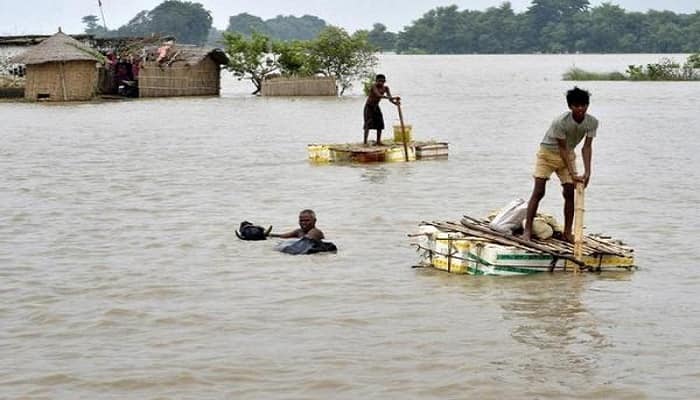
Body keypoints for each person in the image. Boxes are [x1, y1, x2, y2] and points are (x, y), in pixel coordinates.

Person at [522, 87, 598, 243]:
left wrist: (588, 172)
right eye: (577, 106)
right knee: (539, 191)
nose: (580, 109)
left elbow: (586, 147)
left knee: (570, 192)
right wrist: (573, 173)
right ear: (570, 107)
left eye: (584, 105)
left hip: (568, 155)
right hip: (547, 154)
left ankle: (567, 233)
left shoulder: (592, 122)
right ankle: (527, 231)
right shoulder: (560, 122)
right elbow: (561, 148)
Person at [363, 74, 400, 146]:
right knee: (368, 124)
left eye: (383, 81)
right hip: (369, 107)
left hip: (376, 107)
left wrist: (395, 103)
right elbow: (378, 95)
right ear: (376, 81)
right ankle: (365, 142)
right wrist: (393, 98)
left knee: (380, 124)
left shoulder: (386, 88)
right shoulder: (374, 87)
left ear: (385, 81)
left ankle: (378, 141)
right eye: (379, 81)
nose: (381, 83)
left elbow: (390, 98)